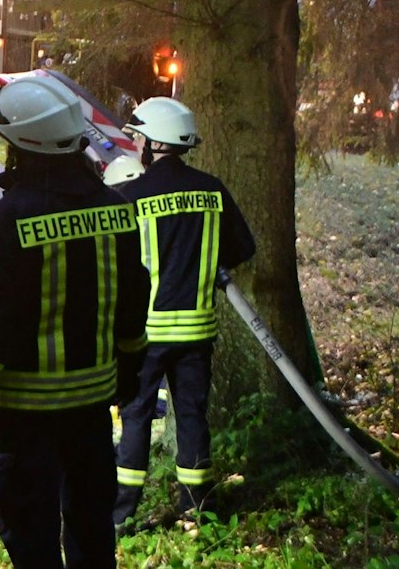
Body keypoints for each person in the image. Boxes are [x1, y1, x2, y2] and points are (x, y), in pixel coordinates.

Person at [0, 76, 148, 569]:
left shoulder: (6, 221)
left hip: (24, 416)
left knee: (31, 537)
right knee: (92, 530)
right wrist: (128, 376)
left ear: (23, 147)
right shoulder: (118, 211)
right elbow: (132, 305)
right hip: (91, 411)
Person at [111, 96, 255, 531]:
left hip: (147, 333)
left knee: (136, 416)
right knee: (192, 415)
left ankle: (121, 512)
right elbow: (242, 247)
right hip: (197, 331)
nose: (137, 146)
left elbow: (117, 265)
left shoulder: (131, 196)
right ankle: (197, 507)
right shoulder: (213, 190)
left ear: (155, 143)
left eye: (140, 139)